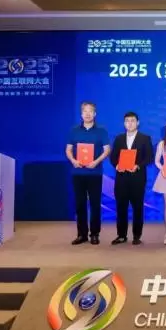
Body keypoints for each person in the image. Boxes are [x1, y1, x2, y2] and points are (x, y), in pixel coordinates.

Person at [65, 102, 110, 245]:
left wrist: (96, 162)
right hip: (78, 173)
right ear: (81, 114)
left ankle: (95, 234)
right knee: (80, 204)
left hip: (95, 173)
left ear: (95, 114)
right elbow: (68, 149)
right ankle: (82, 234)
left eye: (90, 111)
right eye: (85, 111)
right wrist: (73, 160)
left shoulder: (101, 130)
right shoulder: (74, 130)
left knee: (95, 204)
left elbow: (107, 150)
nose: (88, 114)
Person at [109, 112, 152, 246]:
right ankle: (121, 235)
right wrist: (117, 165)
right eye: (127, 121)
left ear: (138, 123)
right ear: (124, 123)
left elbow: (149, 157)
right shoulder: (119, 138)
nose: (130, 123)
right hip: (121, 178)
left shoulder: (145, 138)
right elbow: (113, 157)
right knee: (121, 207)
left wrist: (138, 166)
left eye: (132, 121)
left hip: (137, 178)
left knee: (137, 207)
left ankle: (137, 236)